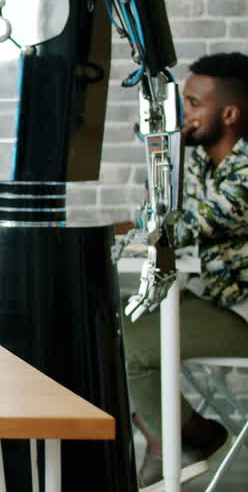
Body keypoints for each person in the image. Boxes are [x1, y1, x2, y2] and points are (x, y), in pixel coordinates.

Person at [123, 52, 248, 490]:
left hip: (242, 312)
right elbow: (161, 211)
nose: (183, 114)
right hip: (218, 298)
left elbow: (182, 224)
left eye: (194, 104)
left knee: (127, 338)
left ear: (229, 114)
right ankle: (184, 438)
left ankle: (179, 443)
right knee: (111, 321)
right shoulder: (200, 161)